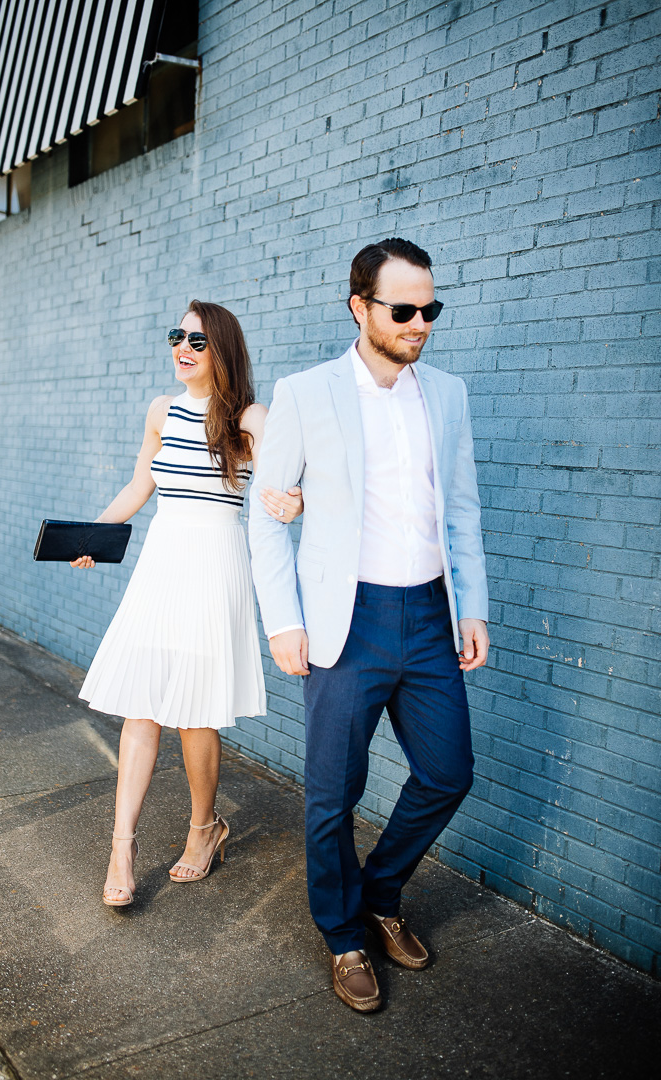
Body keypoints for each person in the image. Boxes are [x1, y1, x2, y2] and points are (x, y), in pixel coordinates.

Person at [250, 238, 489, 1012]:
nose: (421, 322)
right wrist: (283, 621)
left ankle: (380, 893)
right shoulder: (306, 392)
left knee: (449, 772)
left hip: (427, 614)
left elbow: (461, 509)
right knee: (332, 794)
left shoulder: (446, 393)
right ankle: (344, 936)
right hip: (343, 621)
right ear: (360, 308)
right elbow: (268, 510)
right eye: (404, 309)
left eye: (431, 308)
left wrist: (473, 603)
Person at [73, 300, 302, 907]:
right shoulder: (160, 410)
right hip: (161, 566)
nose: (183, 348)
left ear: (223, 350)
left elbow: (295, 481)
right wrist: (94, 533)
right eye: (177, 336)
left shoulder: (252, 417)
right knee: (141, 707)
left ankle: (205, 828)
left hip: (216, 566)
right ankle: (122, 846)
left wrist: (298, 501)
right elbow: (140, 483)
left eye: (198, 341)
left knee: (195, 713)